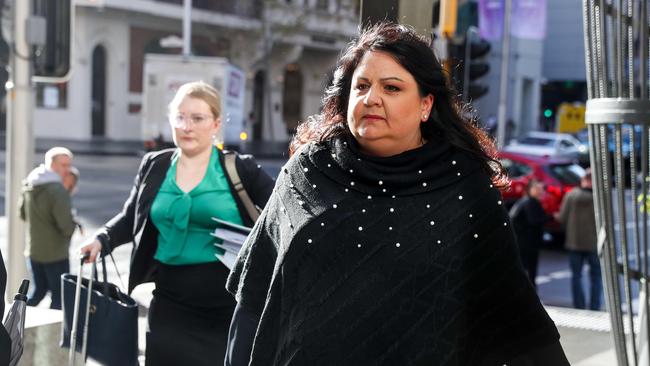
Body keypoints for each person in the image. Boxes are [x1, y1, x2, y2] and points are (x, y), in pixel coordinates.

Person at [225, 23, 569, 366]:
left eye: (391, 88)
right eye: (361, 86)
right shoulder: (305, 173)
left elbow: (514, 316)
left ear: (426, 105)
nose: (371, 98)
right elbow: (254, 302)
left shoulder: (465, 189)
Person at [79, 81, 274, 365]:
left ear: (216, 123)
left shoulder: (238, 168)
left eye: (197, 118)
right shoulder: (155, 165)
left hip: (226, 303)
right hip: (169, 299)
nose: (187, 126)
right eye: (180, 117)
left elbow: (282, 212)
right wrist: (102, 239)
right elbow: (130, 215)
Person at [20, 147, 76, 309]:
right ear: (51, 164)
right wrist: (73, 225)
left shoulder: (30, 183)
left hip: (34, 250)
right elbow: (65, 226)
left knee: (38, 292)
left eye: (69, 165)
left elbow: (22, 214)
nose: (68, 170)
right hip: (55, 253)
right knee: (59, 297)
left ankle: (17, 324)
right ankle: (53, 333)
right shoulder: (57, 190)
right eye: (63, 165)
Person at [557, 169, 602, 310]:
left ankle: (579, 306)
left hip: (574, 243)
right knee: (596, 277)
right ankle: (595, 306)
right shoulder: (599, 198)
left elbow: (562, 218)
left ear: (583, 180)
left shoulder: (571, 195)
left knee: (576, 276)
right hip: (594, 244)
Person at [510, 179, 551, 290]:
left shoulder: (526, 201)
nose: (541, 191)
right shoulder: (530, 203)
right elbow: (534, 221)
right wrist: (550, 217)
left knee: (525, 269)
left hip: (523, 241)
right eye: (537, 189)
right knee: (529, 269)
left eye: (541, 189)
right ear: (530, 190)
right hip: (527, 242)